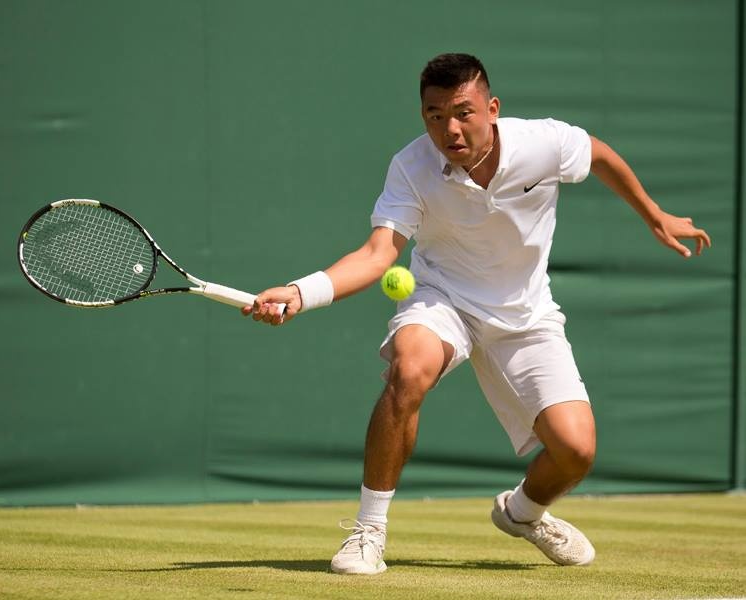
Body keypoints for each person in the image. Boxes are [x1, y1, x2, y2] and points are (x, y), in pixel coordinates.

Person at [242, 53, 711, 574]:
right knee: (408, 370)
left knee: (576, 452)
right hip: (444, 299)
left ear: (492, 109)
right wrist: (300, 292)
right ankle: (368, 531)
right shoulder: (411, 167)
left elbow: (598, 154)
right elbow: (377, 256)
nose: (450, 129)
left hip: (526, 313)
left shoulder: (543, 143)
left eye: (463, 112)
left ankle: (523, 513)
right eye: (435, 115)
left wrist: (654, 214)